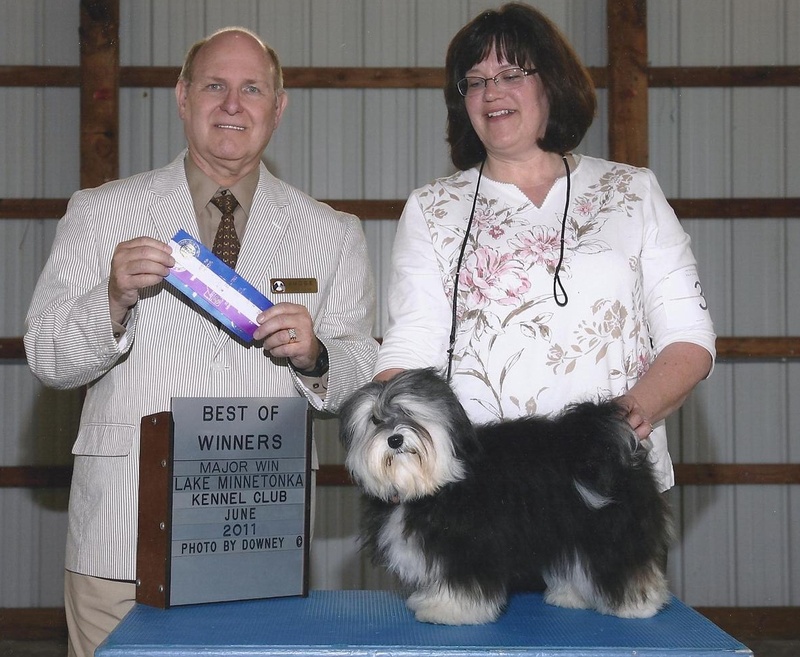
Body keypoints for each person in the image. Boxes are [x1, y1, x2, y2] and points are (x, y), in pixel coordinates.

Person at [25, 27, 378, 657]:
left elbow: (361, 370)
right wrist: (109, 300)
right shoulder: (101, 211)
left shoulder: (334, 233)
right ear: (182, 96)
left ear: (279, 105)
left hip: (262, 537)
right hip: (122, 540)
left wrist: (319, 356)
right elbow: (48, 355)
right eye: (215, 85)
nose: (232, 104)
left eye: (252, 89)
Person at [374, 3, 715, 492]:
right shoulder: (431, 207)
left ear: (552, 83)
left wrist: (621, 423)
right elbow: (413, 340)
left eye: (511, 73)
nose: (491, 92)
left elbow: (689, 336)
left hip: (615, 479)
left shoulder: (633, 191)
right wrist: (385, 419)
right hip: (483, 491)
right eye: (474, 80)